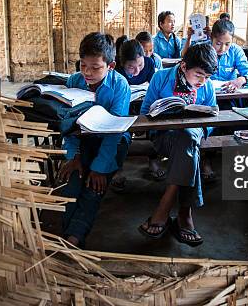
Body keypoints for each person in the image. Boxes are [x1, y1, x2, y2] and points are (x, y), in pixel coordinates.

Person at [55, 32, 132, 247]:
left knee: (94, 187)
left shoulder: (120, 86)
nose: (87, 72)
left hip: (112, 142)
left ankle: (72, 238)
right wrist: (74, 156)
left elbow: (115, 129)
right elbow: (69, 127)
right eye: (83, 65)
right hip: (82, 141)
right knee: (72, 183)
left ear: (111, 65)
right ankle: (69, 236)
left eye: (95, 67)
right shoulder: (74, 81)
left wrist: (99, 167)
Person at [138, 43, 218, 247]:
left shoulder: (207, 86)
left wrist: (200, 125)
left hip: (191, 138)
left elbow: (210, 122)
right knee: (189, 147)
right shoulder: (161, 77)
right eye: (198, 75)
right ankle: (185, 215)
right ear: (183, 66)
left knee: (189, 140)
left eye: (207, 77)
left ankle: (164, 207)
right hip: (164, 137)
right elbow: (146, 111)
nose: (203, 81)